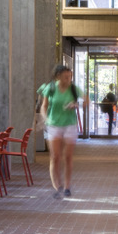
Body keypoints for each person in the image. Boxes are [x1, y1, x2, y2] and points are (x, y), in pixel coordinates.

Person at [38, 65, 82, 198]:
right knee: (55, 156)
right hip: (54, 124)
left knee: (68, 157)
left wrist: (76, 104)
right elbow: (44, 106)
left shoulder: (74, 88)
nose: (69, 79)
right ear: (58, 77)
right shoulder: (50, 88)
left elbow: (86, 101)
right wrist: (45, 119)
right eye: (66, 77)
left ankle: (67, 187)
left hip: (70, 124)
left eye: (70, 76)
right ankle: (58, 187)